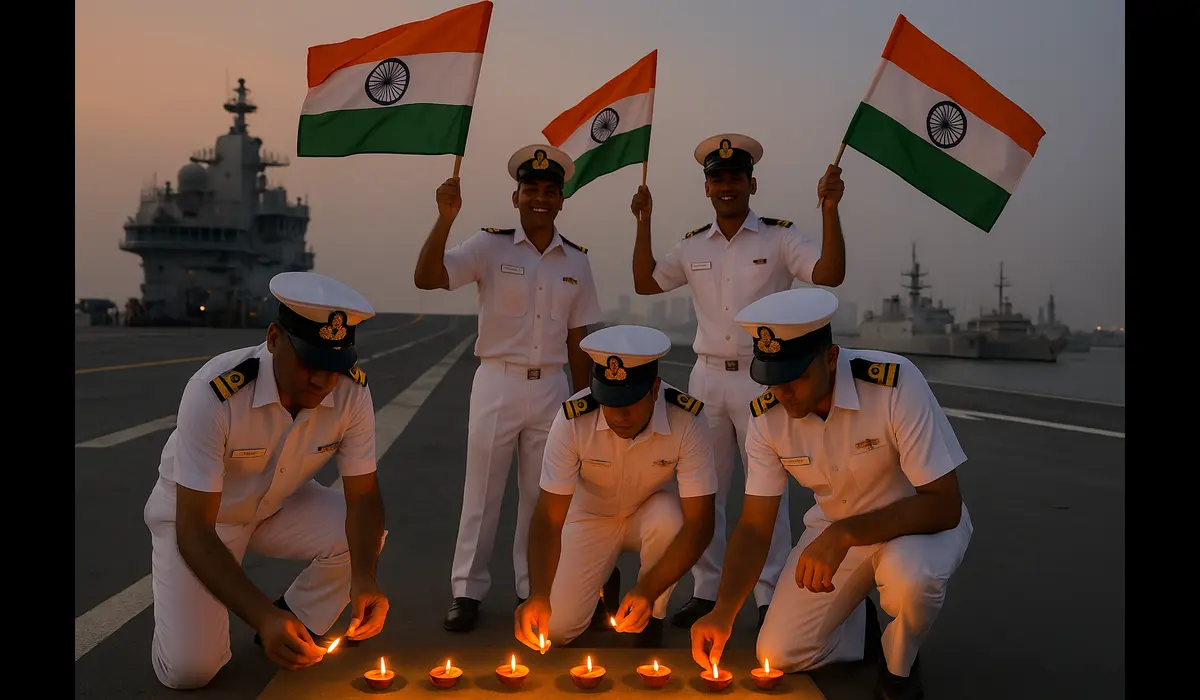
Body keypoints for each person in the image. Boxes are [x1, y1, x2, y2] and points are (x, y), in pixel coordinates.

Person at [689, 287, 973, 700]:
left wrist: (842, 535)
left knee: (910, 577)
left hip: (918, 526)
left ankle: (899, 668)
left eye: (796, 378)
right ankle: (859, 625)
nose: (784, 393)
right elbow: (754, 525)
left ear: (831, 358)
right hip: (839, 531)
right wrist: (723, 612)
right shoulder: (768, 417)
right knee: (778, 652)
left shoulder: (894, 384)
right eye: (774, 379)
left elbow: (945, 505)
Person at [630, 132, 848, 629]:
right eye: (716, 179)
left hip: (763, 381)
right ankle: (707, 589)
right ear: (707, 188)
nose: (725, 186)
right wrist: (643, 221)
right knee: (703, 491)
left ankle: (769, 593)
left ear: (752, 183)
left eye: (734, 177)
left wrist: (829, 209)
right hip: (706, 379)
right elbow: (647, 281)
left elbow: (829, 273)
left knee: (766, 491)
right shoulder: (691, 245)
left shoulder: (779, 236)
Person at [142, 272, 390, 689]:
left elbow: (363, 498)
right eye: (310, 362)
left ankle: (295, 619)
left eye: (334, 367)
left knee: (365, 533)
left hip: (276, 505)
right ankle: (247, 622)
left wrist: (364, 578)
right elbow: (195, 529)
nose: (322, 382)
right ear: (274, 338)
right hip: (201, 520)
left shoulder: (351, 393)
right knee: (190, 672)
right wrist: (259, 614)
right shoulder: (216, 392)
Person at [414, 144, 602, 632]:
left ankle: (531, 586)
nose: (541, 198)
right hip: (497, 381)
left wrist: (584, 404)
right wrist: (445, 218)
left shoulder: (577, 261)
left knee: (544, 496)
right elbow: (428, 277)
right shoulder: (488, 245)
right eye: (532, 189)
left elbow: (580, 338)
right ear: (516, 195)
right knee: (483, 492)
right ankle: (467, 591)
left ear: (562, 199)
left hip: (553, 389)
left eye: (550, 191)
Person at [514, 325, 717, 650]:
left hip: (647, 514)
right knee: (555, 630)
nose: (619, 415)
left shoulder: (687, 419)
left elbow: (700, 524)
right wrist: (538, 593)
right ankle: (600, 583)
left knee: (669, 518)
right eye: (609, 401)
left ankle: (652, 615)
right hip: (590, 516)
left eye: (630, 402)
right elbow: (548, 518)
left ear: (653, 389)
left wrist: (649, 589)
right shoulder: (572, 419)